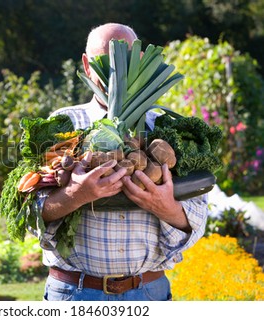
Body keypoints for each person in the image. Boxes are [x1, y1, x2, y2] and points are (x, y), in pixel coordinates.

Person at [35, 23, 209, 301]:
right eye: (105, 60)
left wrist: (167, 207)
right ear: (86, 64)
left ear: (141, 62)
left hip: (148, 292)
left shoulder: (168, 129)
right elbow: (30, 215)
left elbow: (198, 220)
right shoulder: (61, 124)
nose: (116, 71)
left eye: (126, 59)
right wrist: (75, 195)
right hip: (74, 293)